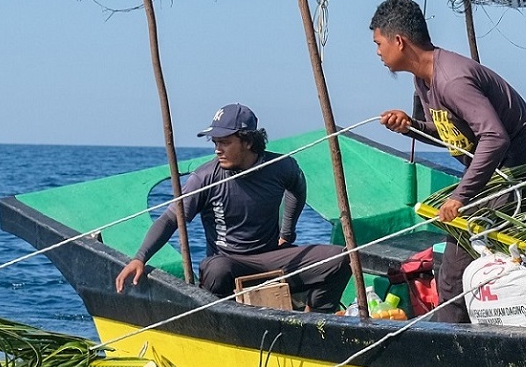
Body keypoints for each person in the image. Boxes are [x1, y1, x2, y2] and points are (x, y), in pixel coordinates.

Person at [370, 0, 526, 322]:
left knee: (456, 272)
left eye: (379, 43)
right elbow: (450, 133)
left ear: (399, 41)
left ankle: (453, 347)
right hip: (491, 174)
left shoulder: (452, 80)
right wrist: (409, 127)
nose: (378, 52)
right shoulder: (422, 80)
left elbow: (495, 137)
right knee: (457, 271)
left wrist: (460, 196)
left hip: (512, 175)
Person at [113, 103, 350, 313]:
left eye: (225, 142)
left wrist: (286, 234)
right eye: (215, 142)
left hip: (270, 258)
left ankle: (315, 318)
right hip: (227, 262)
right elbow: (169, 219)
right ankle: (221, 321)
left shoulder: (282, 166)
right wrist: (140, 258)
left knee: (342, 258)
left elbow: (297, 189)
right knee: (217, 269)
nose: (218, 149)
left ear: (248, 141)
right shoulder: (205, 176)